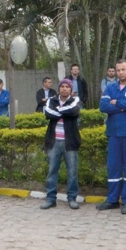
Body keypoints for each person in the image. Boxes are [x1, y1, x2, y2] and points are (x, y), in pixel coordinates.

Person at [97, 59, 126, 214]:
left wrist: (116, 102)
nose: (120, 73)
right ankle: (112, 200)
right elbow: (103, 106)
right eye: (118, 70)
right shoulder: (111, 87)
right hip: (114, 134)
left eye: (123, 69)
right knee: (113, 168)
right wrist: (124, 107)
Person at [41, 79, 82, 210]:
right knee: (52, 171)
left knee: (72, 172)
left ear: (70, 89)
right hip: (53, 142)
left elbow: (74, 110)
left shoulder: (75, 99)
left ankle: (72, 198)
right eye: (62, 86)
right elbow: (48, 112)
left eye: (67, 87)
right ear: (59, 88)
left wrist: (58, 111)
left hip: (70, 142)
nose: (64, 89)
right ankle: (51, 198)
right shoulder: (51, 101)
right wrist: (63, 112)